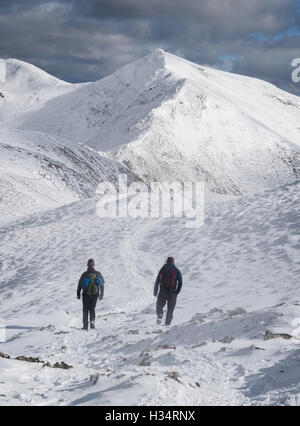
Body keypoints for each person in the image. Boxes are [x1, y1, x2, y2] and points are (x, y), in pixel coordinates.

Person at [154, 257, 182, 326]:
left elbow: (157, 281)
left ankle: (160, 315)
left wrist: (155, 291)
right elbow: (180, 282)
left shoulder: (163, 269)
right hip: (172, 292)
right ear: (173, 262)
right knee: (170, 309)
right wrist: (177, 292)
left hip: (163, 290)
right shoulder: (176, 270)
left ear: (167, 261)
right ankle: (167, 324)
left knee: (159, 305)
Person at [77, 259, 105, 330]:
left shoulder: (84, 274)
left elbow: (80, 284)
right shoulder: (98, 273)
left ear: (87, 265)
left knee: (85, 309)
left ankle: (85, 326)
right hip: (95, 294)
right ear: (94, 265)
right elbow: (102, 284)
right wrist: (101, 294)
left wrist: (78, 294)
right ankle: (92, 324)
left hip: (85, 294)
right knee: (92, 308)